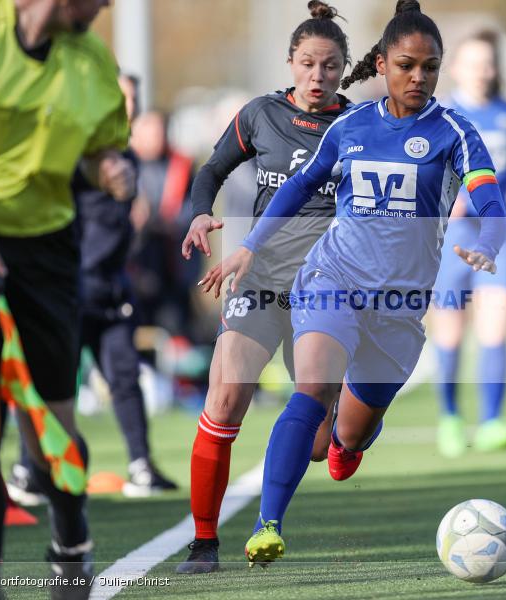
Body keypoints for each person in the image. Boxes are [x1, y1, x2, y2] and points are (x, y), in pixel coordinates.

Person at [202, 0, 506, 565]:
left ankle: (349, 442)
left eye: (431, 67)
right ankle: (268, 525)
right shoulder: (352, 125)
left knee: (347, 436)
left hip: (399, 308)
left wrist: (486, 246)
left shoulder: (455, 132)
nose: (418, 77)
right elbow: (297, 189)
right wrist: (250, 246)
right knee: (310, 390)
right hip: (333, 277)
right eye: (406, 65)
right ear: (384, 64)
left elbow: (492, 203)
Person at [0, 1, 134, 598]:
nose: (105, 5)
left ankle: (71, 535)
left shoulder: (91, 61)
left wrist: (111, 170)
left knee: (50, 428)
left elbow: (101, 149)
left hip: (46, 249)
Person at [175, 0, 353, 575]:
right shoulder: (260, 115)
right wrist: (200, 214)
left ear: (344, 68)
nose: (317, 77)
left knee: (324, 435)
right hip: (259, 281)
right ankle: (204, 544)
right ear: (291, 63)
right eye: (307, 64)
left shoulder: (357, 127)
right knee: (224, 401)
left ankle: (348, 435)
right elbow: (210, 170)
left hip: (324, 288)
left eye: (329, 66)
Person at [6, 74, 178, 503]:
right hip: (72, 289)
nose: (129, 104)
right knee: (52, 383)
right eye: (121, 96)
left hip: (112, 288)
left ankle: (141, 464)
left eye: (134, 97)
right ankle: (29, 470)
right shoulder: (74, 154)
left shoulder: (129, 157)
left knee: (124, 376)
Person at [430, 30, 506, 458]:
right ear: (455, 69)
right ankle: (450, 419)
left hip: (497, 234)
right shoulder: (440, 115)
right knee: (450, 332)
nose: (481, 71)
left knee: (495, 326)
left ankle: (492, 421)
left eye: (487, 63)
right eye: (472, 63)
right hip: (453, 236)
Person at [128, 109, 199, 340]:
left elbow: (194, 209)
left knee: (175, 332)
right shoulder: (124, 165)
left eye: (158, 131)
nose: (154, 138)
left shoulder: (182, 166)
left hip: (172, 265)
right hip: (135, 264)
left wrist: (167, 221)